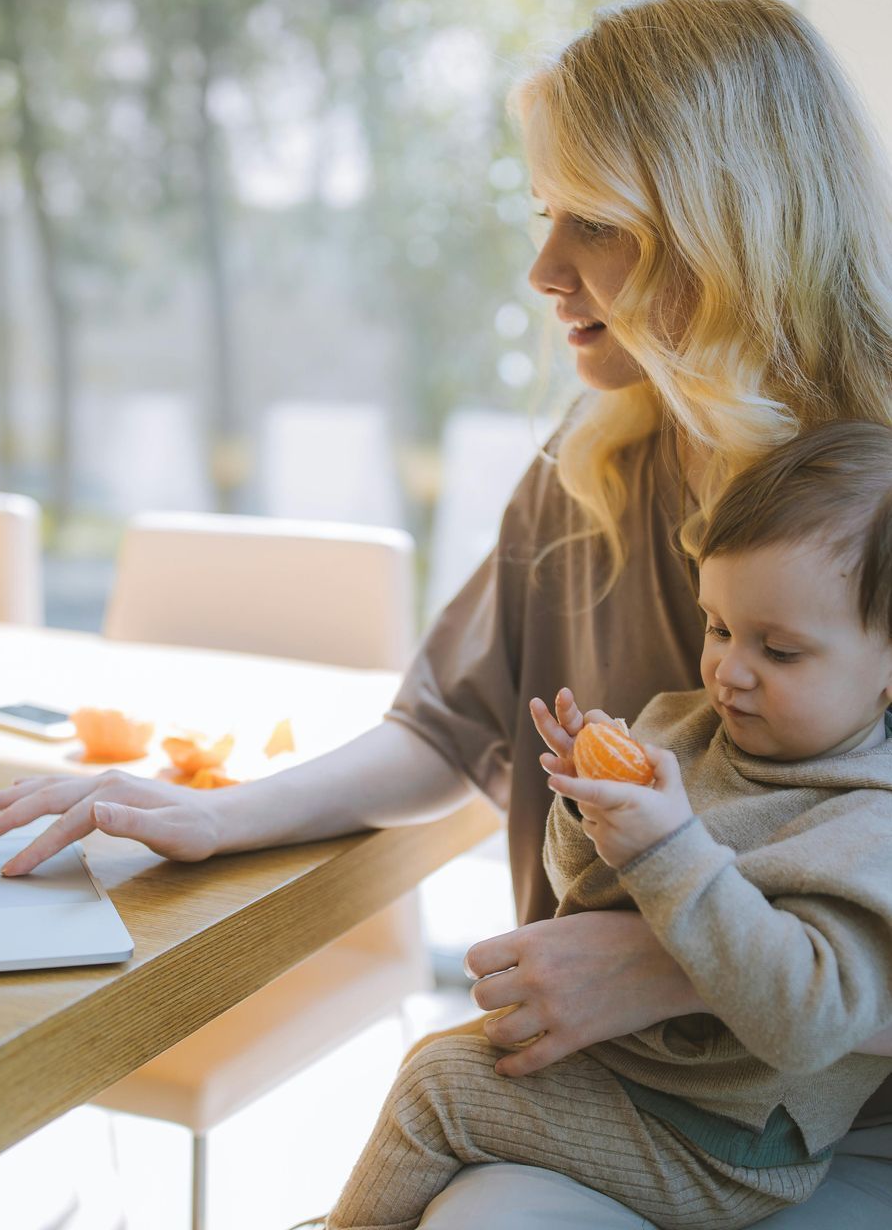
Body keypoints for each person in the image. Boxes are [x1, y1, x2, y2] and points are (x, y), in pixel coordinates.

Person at [0, 0, 892, 1224]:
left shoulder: (874, 502)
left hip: (817, 1125)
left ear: (722, 230)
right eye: (541, 214)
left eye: (596, 225)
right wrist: (218, 814)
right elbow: (451, 728)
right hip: (602, 1077)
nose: (542, 269)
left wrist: (670, 965)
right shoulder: (599, 459)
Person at [325, 421, 892, 1230]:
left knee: (438, 1091)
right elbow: (587, 896)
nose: (730, 671)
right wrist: (587, 809)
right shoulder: (690, 729)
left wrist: (668, 848)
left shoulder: (868, 820)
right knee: (440, 1061)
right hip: (636, 1081)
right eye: (720, 627)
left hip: (725, 1145)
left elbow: (805, 1020)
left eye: (782, 651)